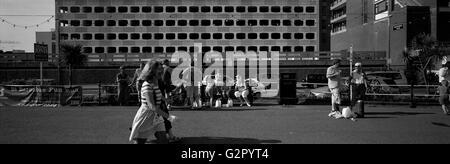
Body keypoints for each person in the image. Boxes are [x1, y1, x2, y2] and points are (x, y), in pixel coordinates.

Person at [129, 60, 177, 144]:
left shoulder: (155, 83)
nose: (162, 71)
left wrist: (166, 100)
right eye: (159, 69)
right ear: (152, 71)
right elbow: (151, 106)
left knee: (164, 141)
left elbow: (158, 94)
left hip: (156, 116)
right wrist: (168, 117)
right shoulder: (147, 85)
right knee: (140, 142)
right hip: (146, 116)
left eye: (161, 68)